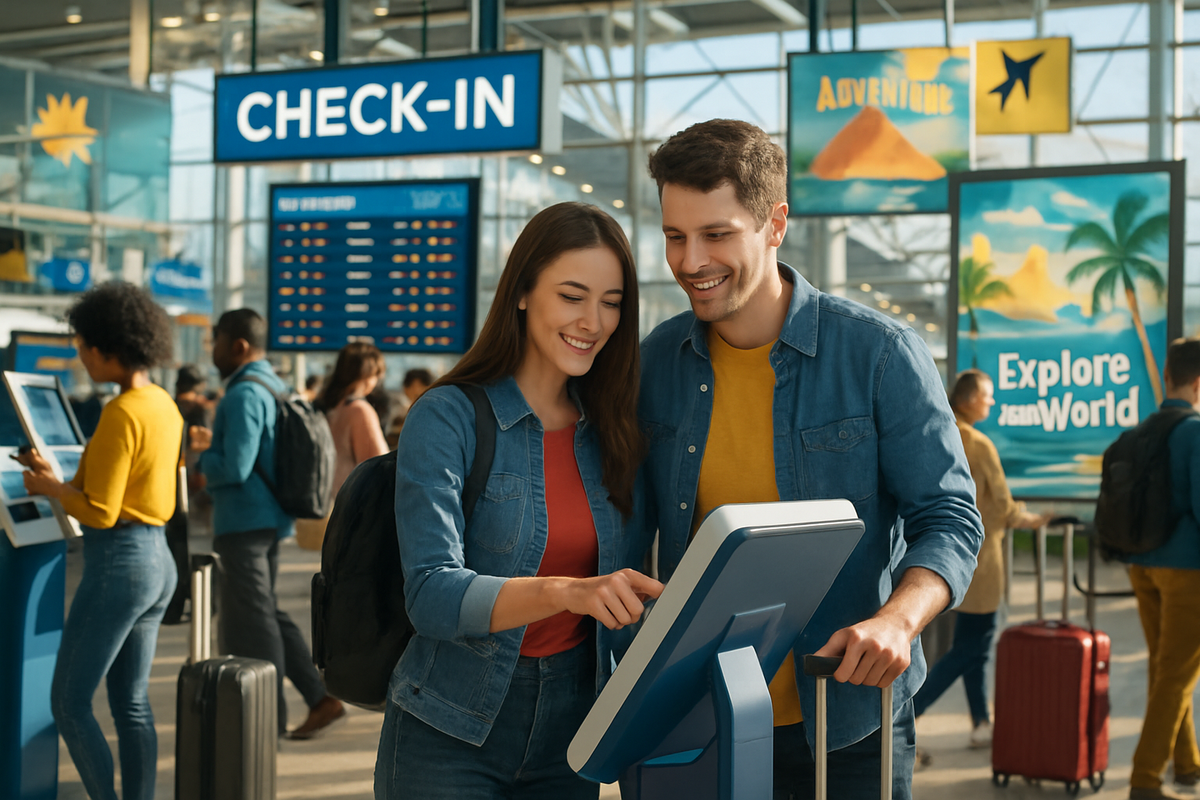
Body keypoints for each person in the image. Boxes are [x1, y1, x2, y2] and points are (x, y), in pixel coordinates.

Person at [636, 119, 983, 800]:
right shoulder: (655, 364)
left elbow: (949, 518)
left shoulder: (878, 355)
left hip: (846, 722)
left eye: (716, 234)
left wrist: (898, 619)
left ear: (775, 223)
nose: (690, 260)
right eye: (675, 236)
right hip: (696, 719)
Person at [374, 202, 663, 800]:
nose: (594, 321)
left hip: (573, 728)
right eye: (573, 295)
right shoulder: (448, 416)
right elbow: (430, 594)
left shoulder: (613, 431)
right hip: (449, 725)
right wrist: (566, 591)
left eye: (611, 303)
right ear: (524, 291)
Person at [16, 282, 182, 800]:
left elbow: (101, 512)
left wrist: (48, 488)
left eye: (83, 345)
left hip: (119, 566)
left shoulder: (120, 412)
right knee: (131, 703)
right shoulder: (163, 405)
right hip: (159, 562)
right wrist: (59, 479)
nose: (81, 356)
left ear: (109, 347)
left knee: (68, 702)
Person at [189, 309, 345, 740]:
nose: (212, 349)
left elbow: (236, 466)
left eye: (216, 340)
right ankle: (320, 697)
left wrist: (204, 459)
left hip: (244, 520)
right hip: (270, 517)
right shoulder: (273, 385)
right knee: (265, 612)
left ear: (238, 345)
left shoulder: (242, 395)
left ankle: (262, 722)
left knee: (253, 623)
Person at [911, 369, 1051, 751]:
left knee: (972, 644)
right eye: (988, 396)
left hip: (937, 559)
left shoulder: (936, 431)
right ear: (970, 398)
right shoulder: (979, 444)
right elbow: (1005, 509)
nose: (992, 402)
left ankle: (980, 722)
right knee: (971, 648)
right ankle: (909, 711)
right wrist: (1036, 519)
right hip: (981, 563)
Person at [1122, 337, 1200, 800]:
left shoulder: (1144, 429)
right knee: (1177, 672)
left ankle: (1187, 762)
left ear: (1167, 375)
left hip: (1143, 565)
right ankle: (1146, 778)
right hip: (1187, 569)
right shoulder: (1194, 431)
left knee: (1166, 666)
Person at [295, 343, 390, 550]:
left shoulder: (330, 407)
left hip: (332, 507)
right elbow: (379, 465)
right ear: (368, 374)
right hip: (356, 513)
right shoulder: (359, 410)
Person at [163, 364, 214, 625]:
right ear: (199, 385)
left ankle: (172, 607)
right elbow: (203, 447)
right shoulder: (200, 409)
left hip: (168, 484)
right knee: (199, 548)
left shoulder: (168, 406)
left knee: (174, 545)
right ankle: (203, 603)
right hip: (194, 486)